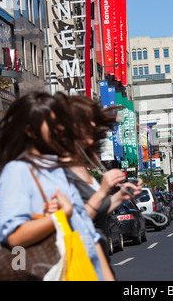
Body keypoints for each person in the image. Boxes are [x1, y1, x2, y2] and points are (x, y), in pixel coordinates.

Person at [0, 91, 115, 281]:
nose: (60, 127)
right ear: (30, 131)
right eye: (51, 123)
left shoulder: (57, 170)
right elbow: (14, 237)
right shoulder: (18, 171)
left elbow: (89, 235)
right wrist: (61, 215)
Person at [55, 93, 143, 258]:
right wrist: (103, 191)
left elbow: (97, 212)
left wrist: (120, 196)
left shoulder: (80, 165)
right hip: (79, 262)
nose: (93, 125)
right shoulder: (59, 170)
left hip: (97, 258)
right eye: (86, 121)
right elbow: (74, 222)